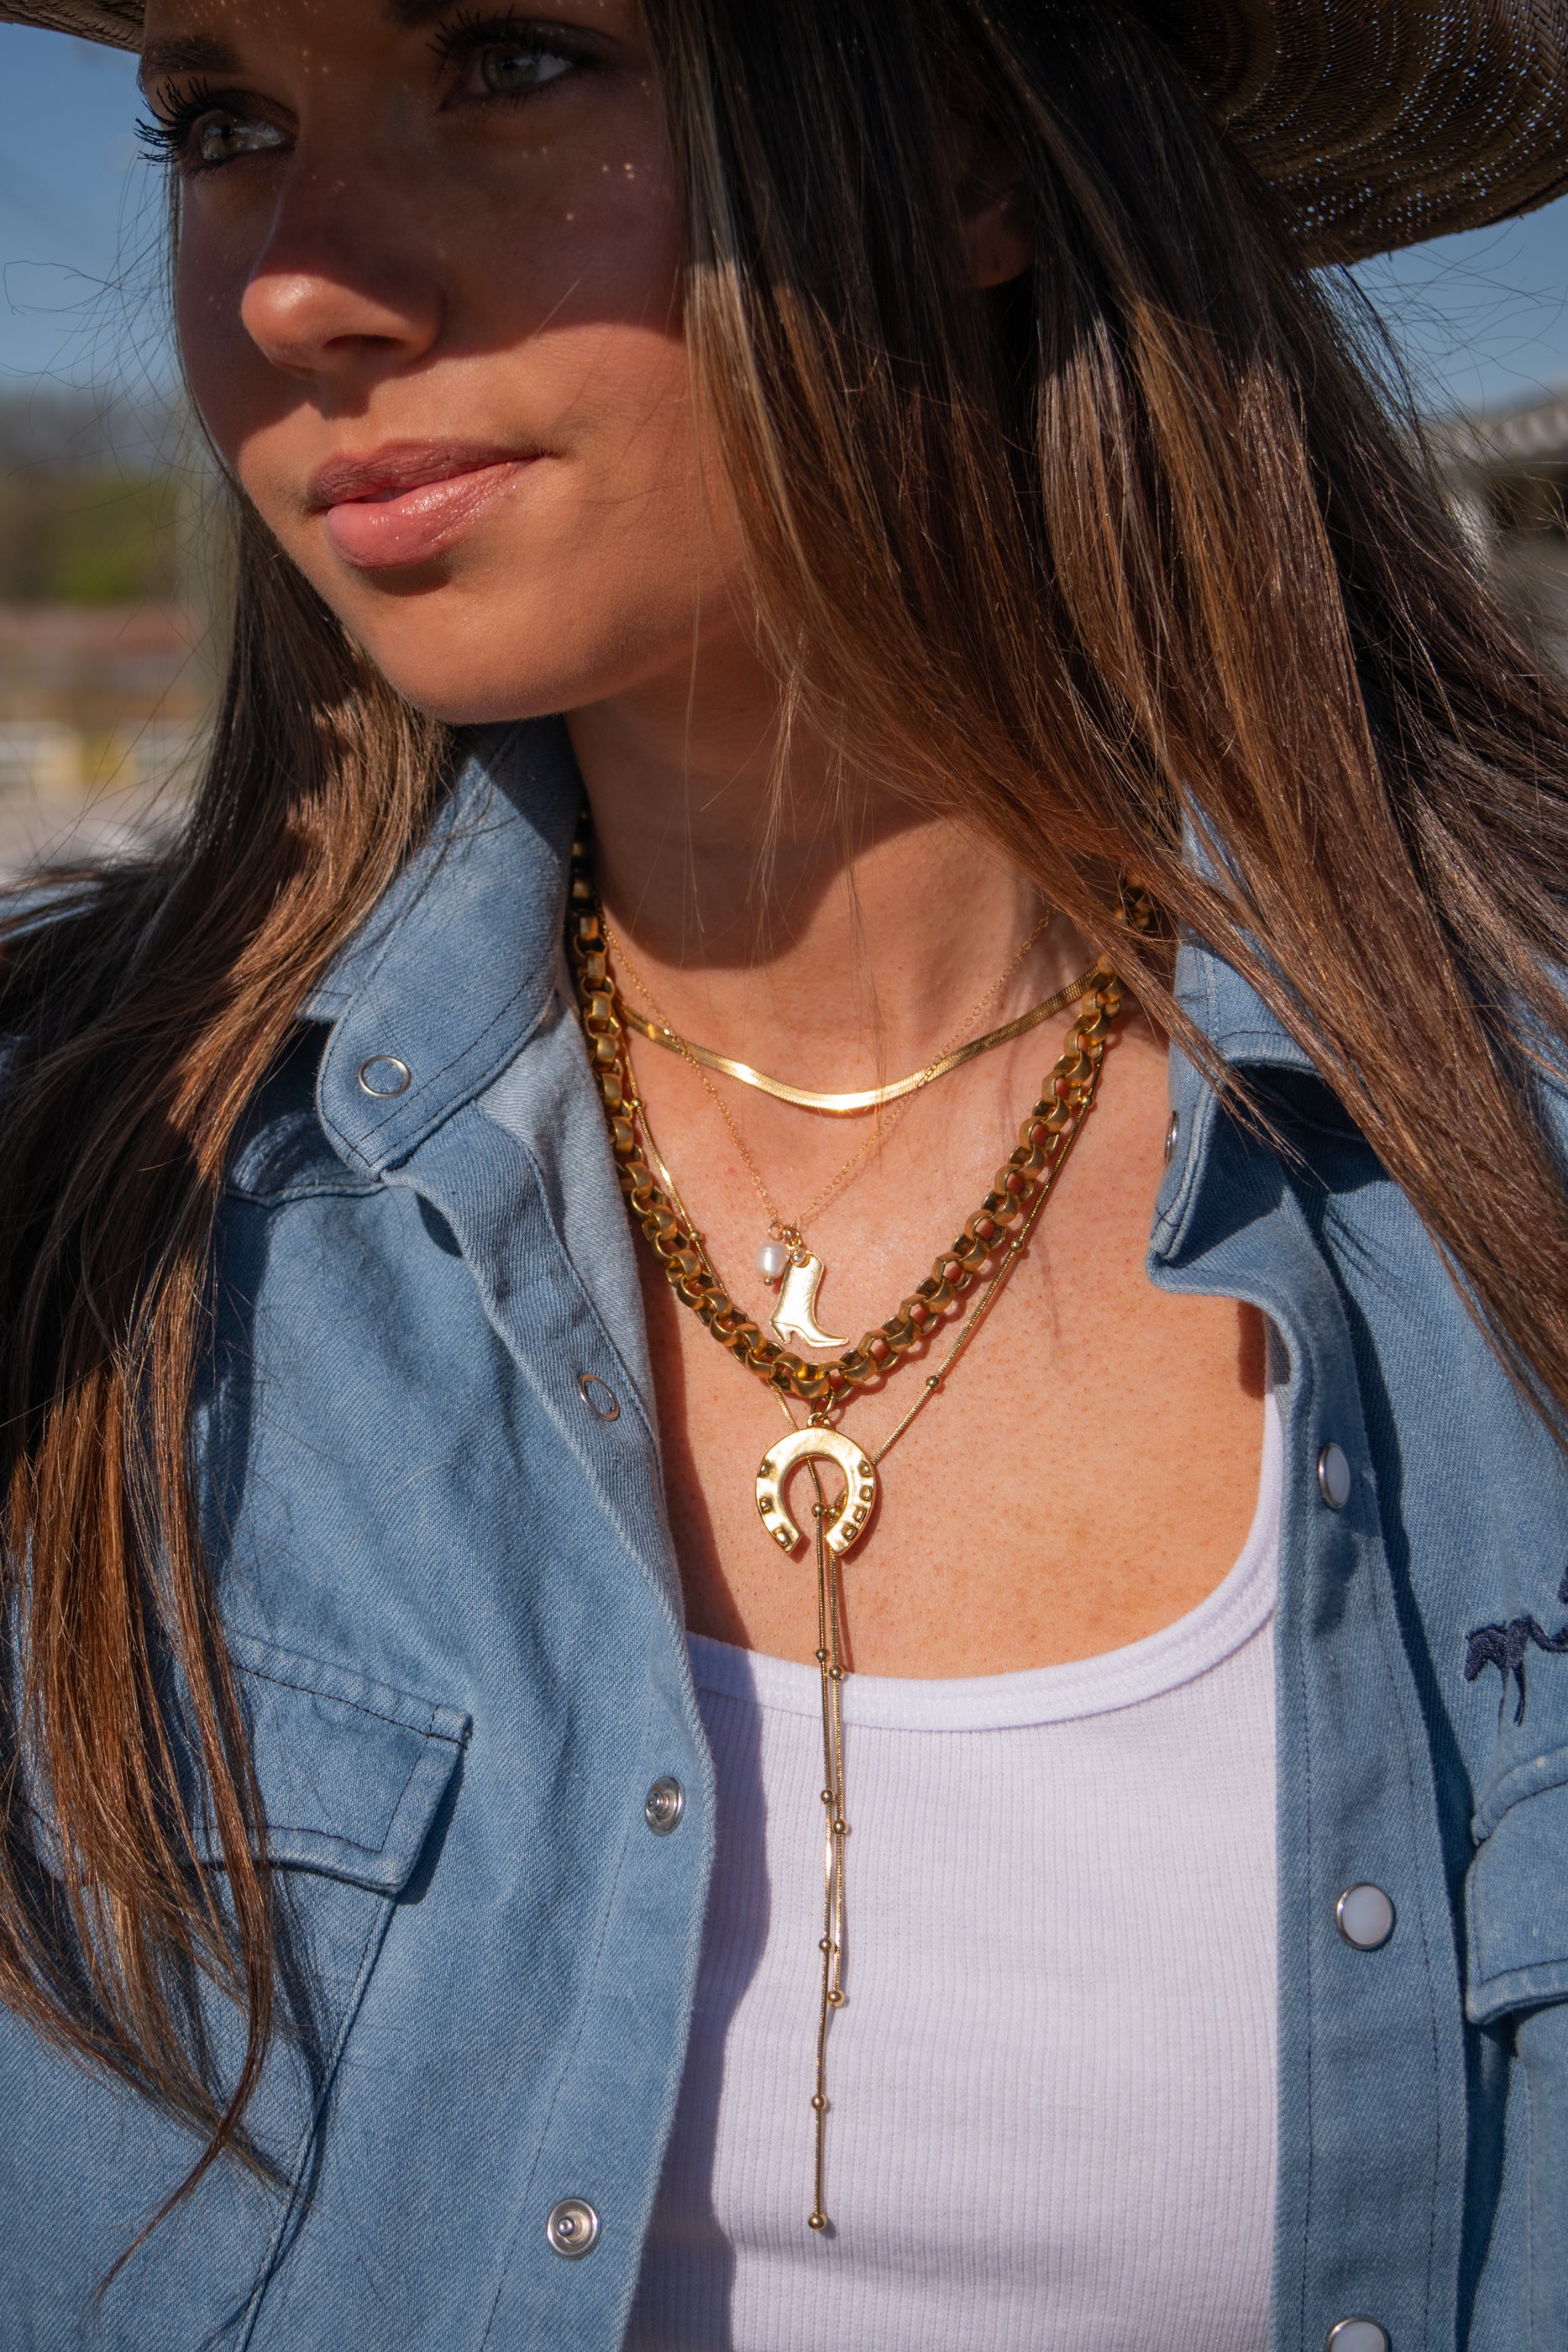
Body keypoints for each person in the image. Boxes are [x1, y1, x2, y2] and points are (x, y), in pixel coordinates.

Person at [1, 0, 1566, 2344]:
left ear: (965, 148)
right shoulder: (84, 1206)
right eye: (223, 122)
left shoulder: (1501, 1202)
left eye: (509, 58)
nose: (289, 283)